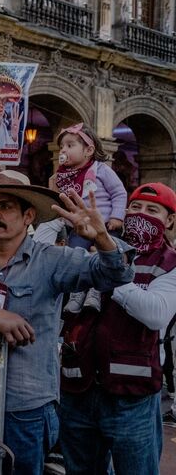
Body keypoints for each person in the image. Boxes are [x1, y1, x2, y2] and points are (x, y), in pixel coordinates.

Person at [0, 171, 134, 475]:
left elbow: (115, 275)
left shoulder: (52, 259)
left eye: (5, 207)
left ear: (28, 216)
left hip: (27, 408)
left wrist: (102, 238)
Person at [59, 183, 176, 475]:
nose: (141, 215)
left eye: (152, 210)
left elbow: (155, 313)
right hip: (78, 388)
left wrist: (111, 266)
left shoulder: (169, 262)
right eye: (135, 208)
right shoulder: (98, 244)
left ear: (170, 220)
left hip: (131, 396)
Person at [51, 123, 126, 243]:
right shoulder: (62, 175)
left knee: (111, 253)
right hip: (80, 227)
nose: (63, 150)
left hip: (106, 225)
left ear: (89, 150)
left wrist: (116, 216)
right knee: (75, 254)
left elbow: (119, 193)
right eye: (61, 147)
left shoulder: (101, 169)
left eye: (69, 145)